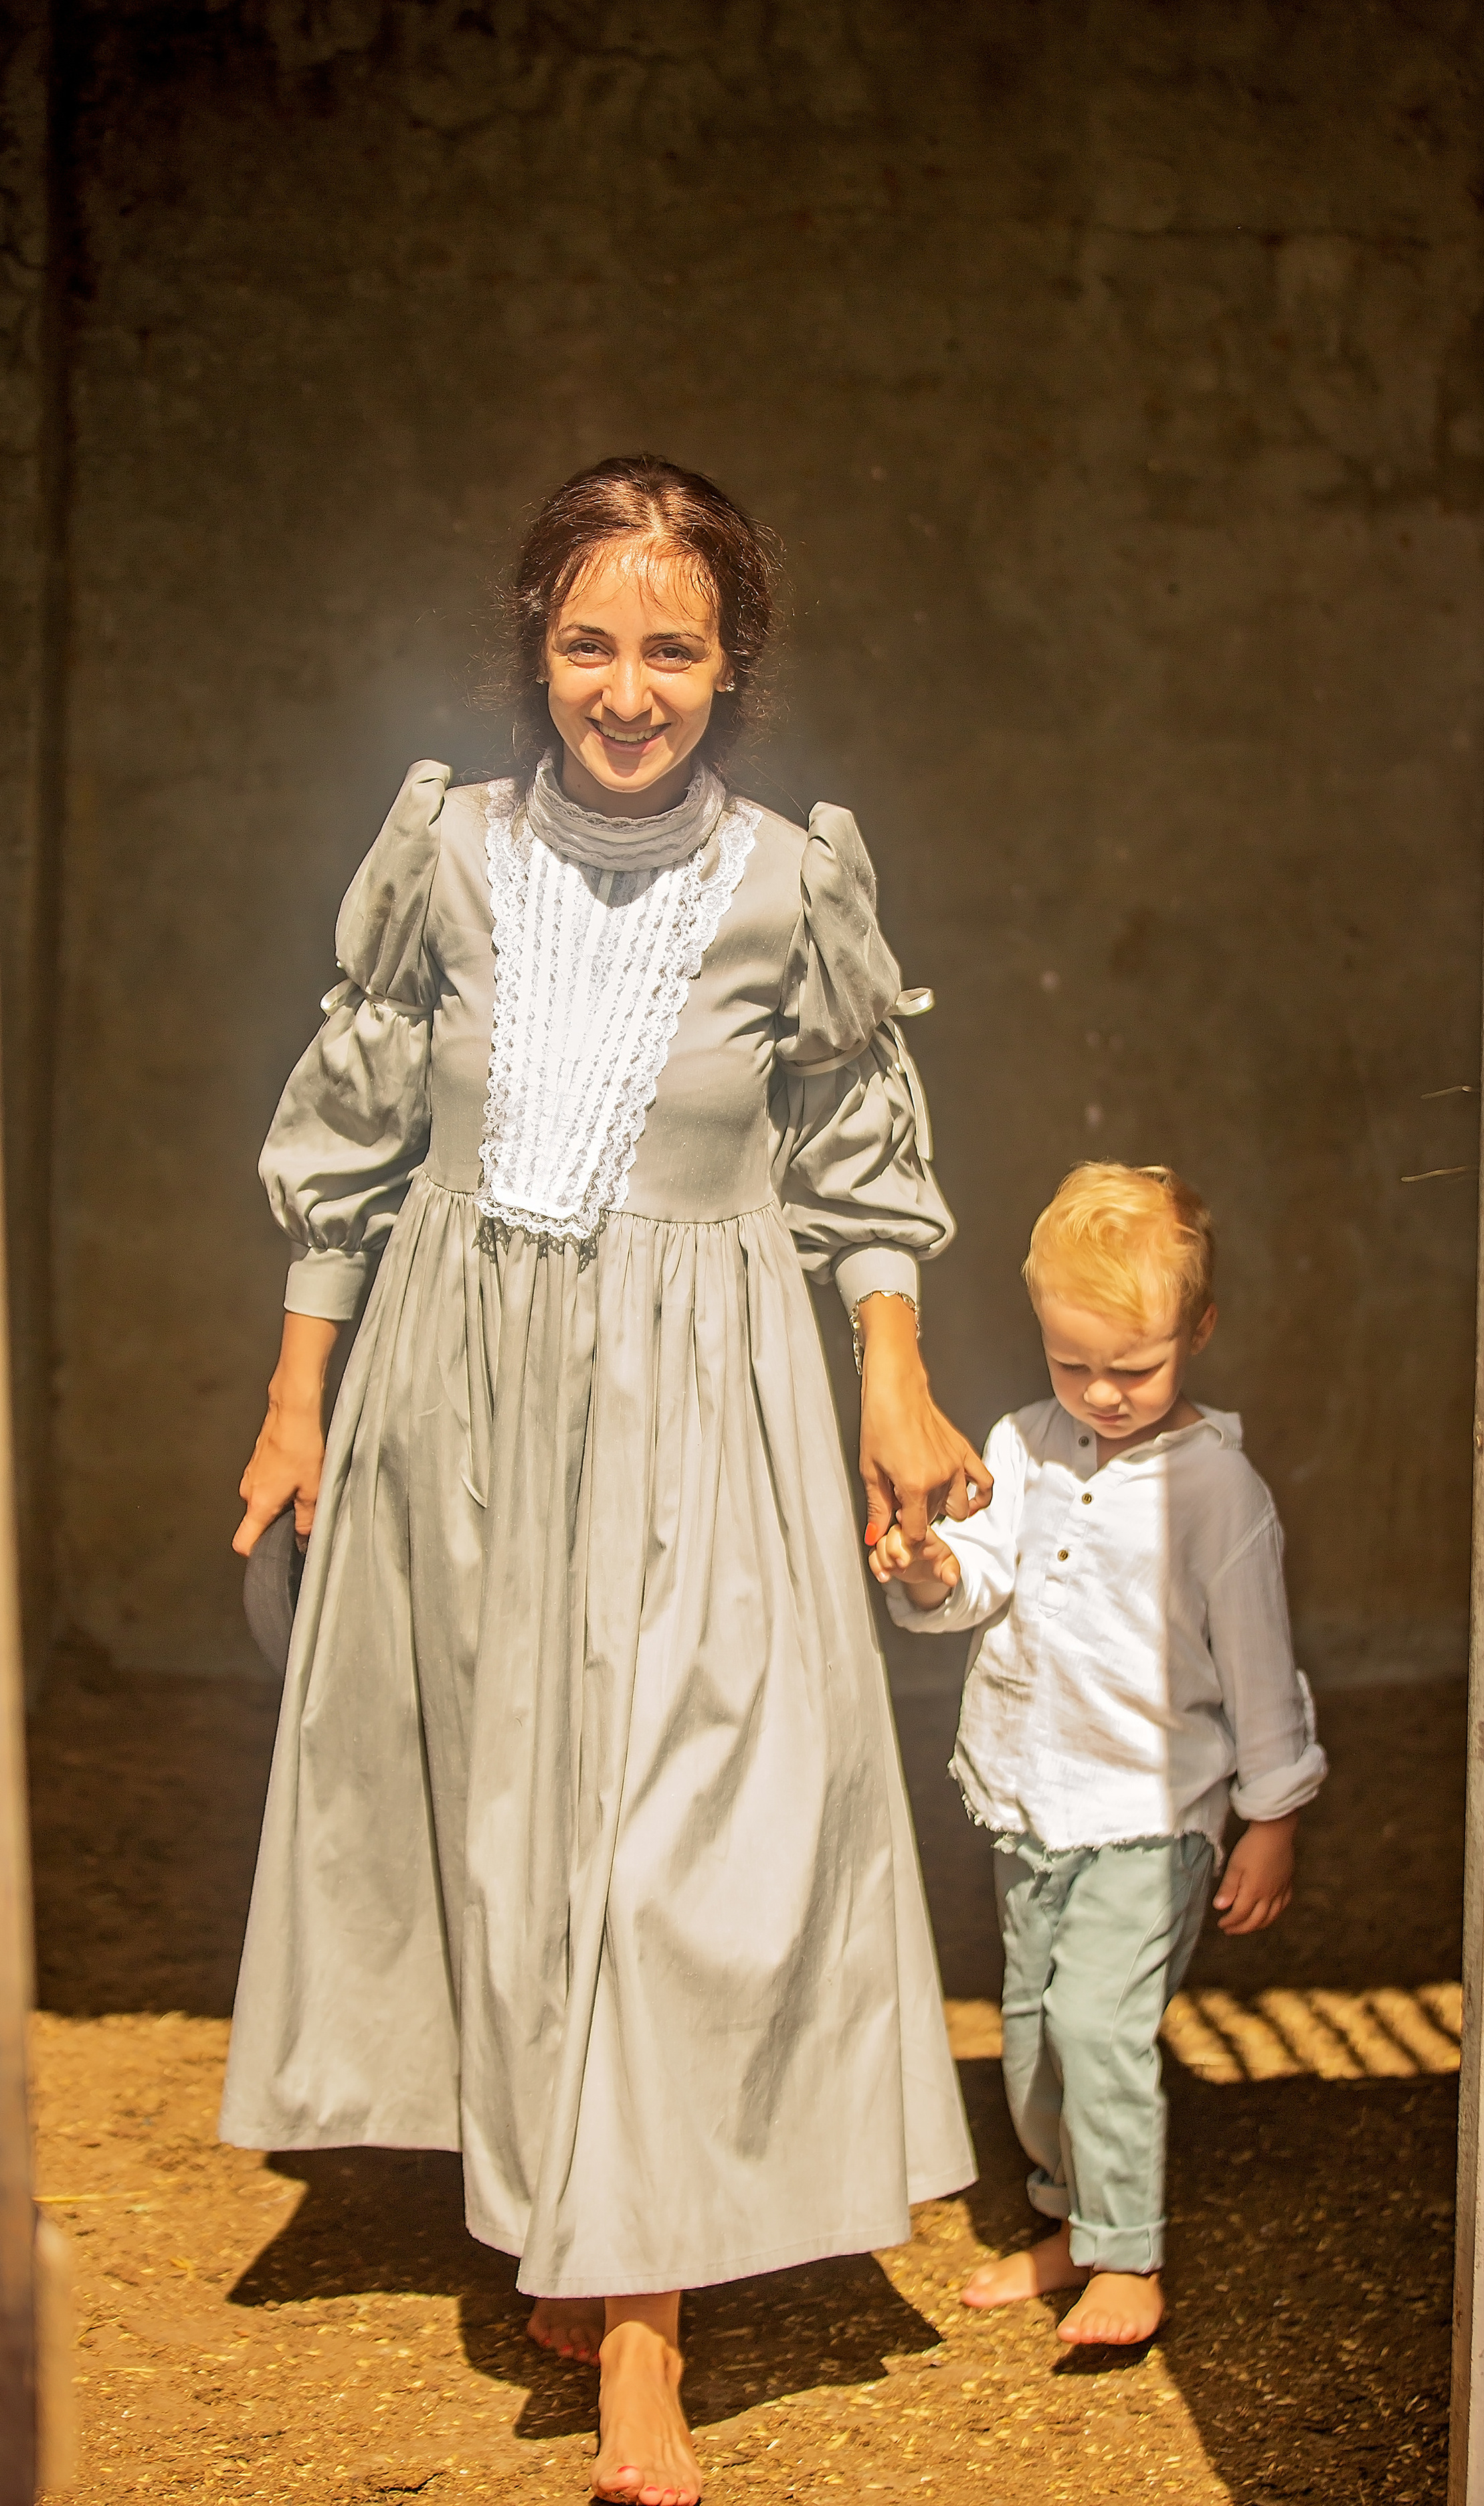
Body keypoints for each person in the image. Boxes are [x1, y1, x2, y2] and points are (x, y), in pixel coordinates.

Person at [221, 456, 990, 2506]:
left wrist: (891, 1390)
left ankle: (639, 2335)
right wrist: (299, 1401)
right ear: (534, 648)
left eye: (672, 647)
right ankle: (578, 2199)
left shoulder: (786, 883)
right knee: (518, 1810)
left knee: (675, 1836)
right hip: (456, 1401)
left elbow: (854, 1156)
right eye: (589, 642)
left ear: (734, 666)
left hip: (707, 1408)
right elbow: (354, 1139)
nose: (627, 688)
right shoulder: (447, 859)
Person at [874, 1162, 1325, 2348]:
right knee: (1030, 2042)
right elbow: (982, 1575)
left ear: (1200, 1332)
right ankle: (1071, 2220)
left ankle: (1128, 2253)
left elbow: (1263, 1667)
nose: (1104, 1394)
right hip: (1031, 1795)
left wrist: (1271, 1817)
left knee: (1096, 2029)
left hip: (1151, 1812)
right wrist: (932, 1571)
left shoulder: (1220, 1491)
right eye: (1074, 1365)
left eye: (1135, 1368)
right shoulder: (1023, 1446)